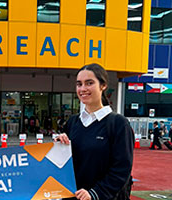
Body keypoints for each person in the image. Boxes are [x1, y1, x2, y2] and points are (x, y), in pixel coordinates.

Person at [55, 63, 134, 200]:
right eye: (79, 84)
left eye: (89, 83)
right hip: (73, 196)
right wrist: (58, 146)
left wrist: (94, 193)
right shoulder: (73, 122)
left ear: (103, 86)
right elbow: (65, 164)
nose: (83, 89)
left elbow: (122, 169)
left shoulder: (118, 124)